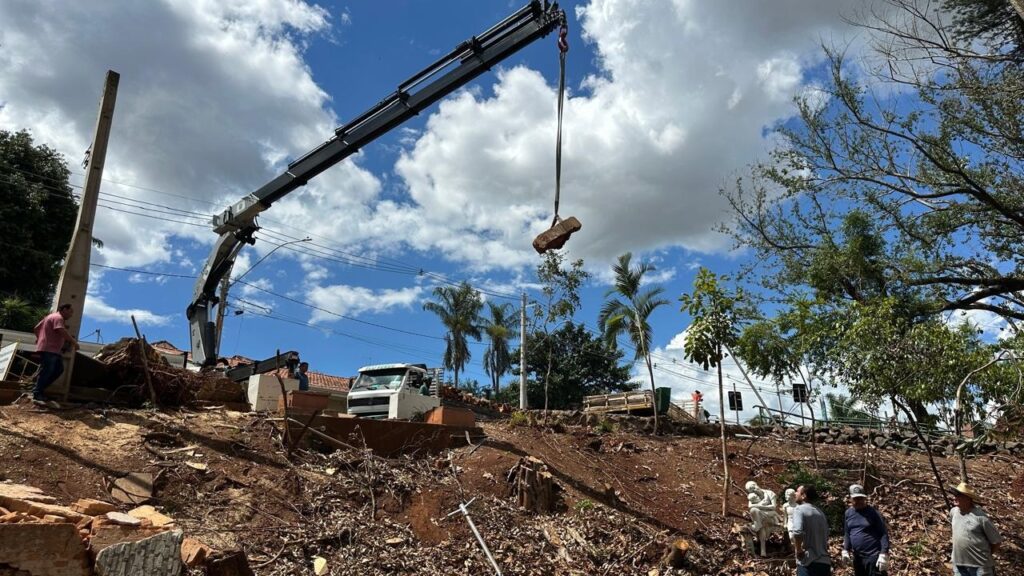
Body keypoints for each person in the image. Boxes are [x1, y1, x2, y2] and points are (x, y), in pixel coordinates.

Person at [949, 482, 1002, 576]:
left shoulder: (981, 518)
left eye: (958, 495)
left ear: (968, 499)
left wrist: (983, 556)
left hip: (980, 566)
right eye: (954, 495)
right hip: (959, 564)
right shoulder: (953, 512)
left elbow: (996, 541)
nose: (954, 497)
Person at [32, 304, 78, 402]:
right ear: (64, 309)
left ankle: (39, 389)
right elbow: (61, 330)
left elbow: (36, 328)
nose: (71, 315)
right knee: (48, 371)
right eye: (70, 312)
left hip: (53, 350)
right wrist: (74, 342)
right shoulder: (58, 317)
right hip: (50, 350)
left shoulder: (49, 317)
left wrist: (40, 339)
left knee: (58, 369)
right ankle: (37, 392)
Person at [842, 484, 890, 575]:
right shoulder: (848, 513)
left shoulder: (873, 513)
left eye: (861, 498)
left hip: (873, 556)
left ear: (865, 499)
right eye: (856, 499)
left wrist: (883, 553)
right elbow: (847, 533)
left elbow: (883, 533)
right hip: (858, 558)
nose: (859, 501)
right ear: (851, 499)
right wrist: (845, 549)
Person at [791, 485, 831, 576]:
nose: (795, 494)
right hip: (824, 562)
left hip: (808, 562)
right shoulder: (820, 513)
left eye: (797, 491)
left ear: (803, 495)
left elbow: (797, 531)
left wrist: (798, 549)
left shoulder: (799, 510)